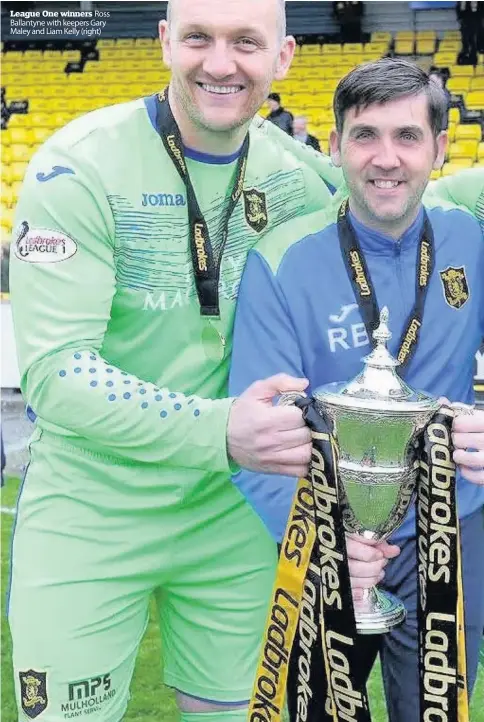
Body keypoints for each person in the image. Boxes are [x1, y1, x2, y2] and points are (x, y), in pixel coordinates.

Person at [6, 1, 341, 721]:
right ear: (164, 43)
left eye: (246, 43)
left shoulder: (302, 182)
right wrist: (220, 430)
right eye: (198, 38)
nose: (219, 63)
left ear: (283, 58)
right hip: (91, 509)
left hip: (235, 517)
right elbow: (56, 373)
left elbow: (423, 199)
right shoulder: (77, 164)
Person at [229, 58, 484, 722]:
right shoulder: (282, 260)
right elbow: (259, 431)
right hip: (327, 538)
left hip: (449, 534)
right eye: (365, 135)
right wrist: (321, 540)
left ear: (440, 147)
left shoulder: (470, 239)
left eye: (407, 136)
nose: (386, 158)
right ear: (335, 145)